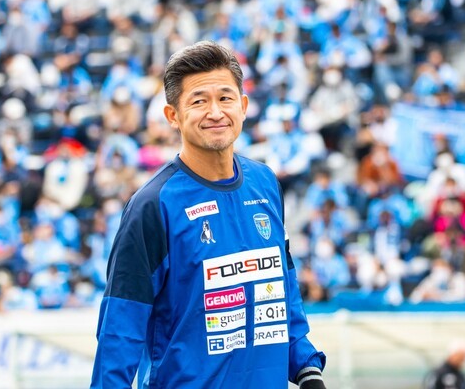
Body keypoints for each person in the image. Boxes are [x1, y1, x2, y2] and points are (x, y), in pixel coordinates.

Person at [91, 41, 326, 388]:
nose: (215, 112)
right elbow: (118, 336)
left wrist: (307, 369)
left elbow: (281, 291)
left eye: (225, 98)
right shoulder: (153, 206)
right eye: (198, 101)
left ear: (243, 107)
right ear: (173, 116)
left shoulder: (265, 184)